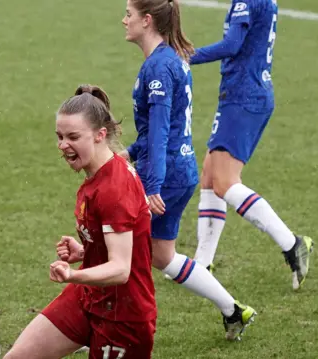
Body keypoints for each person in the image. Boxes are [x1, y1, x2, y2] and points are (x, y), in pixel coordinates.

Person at [117, 0, 256, 340]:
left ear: (147, 21)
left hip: (164, 177)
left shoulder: (159, 68)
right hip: (180, 170)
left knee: (115, 252)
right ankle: (233, 310)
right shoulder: (167, 60)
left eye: (129, 14)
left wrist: (151, 185)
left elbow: (163, 129)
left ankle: (96, 329)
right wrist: (129, 153)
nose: (124, 20)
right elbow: (160, 129)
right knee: (162, 255)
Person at [4, 85, 157, 359]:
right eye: (60, 137)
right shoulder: (99, 174)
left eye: (73, 136)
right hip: (90, 297)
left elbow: (121, 269)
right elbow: (124, 245)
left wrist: (73, 275)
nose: (63, 145)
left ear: (100, 135)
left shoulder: (114, 188)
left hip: (123, 316)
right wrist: (86, 252)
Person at [187, 0, 314, 290]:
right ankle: (202, 263)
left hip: (243, 97)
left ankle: (292, 243)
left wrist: (185, 56)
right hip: (245, 93)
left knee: (224, 182)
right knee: (210, 175)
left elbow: (232, 45)